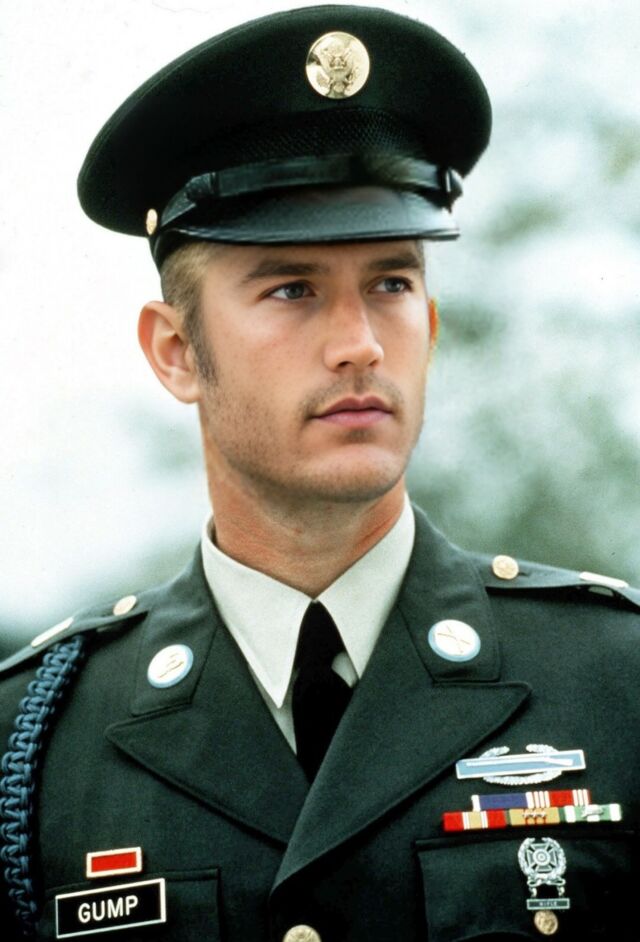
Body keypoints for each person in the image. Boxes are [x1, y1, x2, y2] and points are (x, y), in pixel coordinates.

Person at [0, 5, 638, 941]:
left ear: (431, 323)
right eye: (292, 289)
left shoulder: (616, 681)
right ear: (177, 352)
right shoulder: (35, 742)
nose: (360, 344)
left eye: (392, 283)